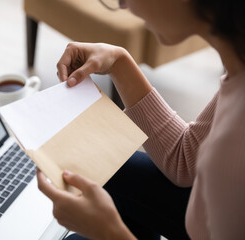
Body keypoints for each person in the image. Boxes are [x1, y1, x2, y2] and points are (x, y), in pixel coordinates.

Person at [37, 0, 245, 239]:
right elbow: (186, 159)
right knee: (105, 167)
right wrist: (119, 63)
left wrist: (109, 232)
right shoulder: (239, 66)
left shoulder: (233, 152)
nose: (123, 4)